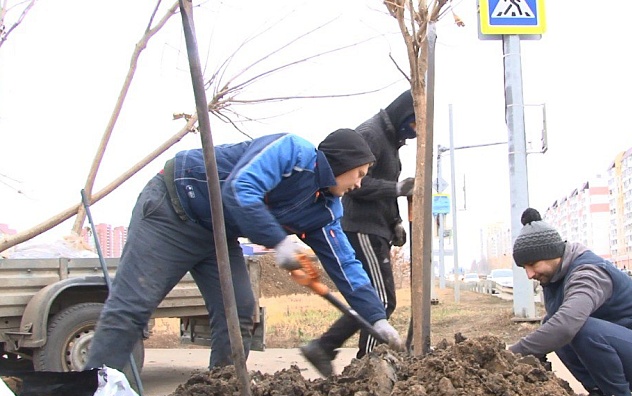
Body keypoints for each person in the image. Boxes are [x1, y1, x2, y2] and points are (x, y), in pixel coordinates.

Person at [85, 129, 404, 373]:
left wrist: (376, 317)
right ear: (343, 162)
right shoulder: (291, 152)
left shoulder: (326, 210)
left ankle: (219, 392)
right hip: (175, 207)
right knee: (132, 309)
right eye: (359, 174)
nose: (360, 184)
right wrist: (279, 241)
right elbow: (240, 189)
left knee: (238, 310)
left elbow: (346, 264)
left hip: (218, 235)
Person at [507, 208, 632, 396]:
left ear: (552, 254)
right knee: (552, 324)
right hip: (627, 350)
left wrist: (512, 354)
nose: (529, 274)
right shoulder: (554, 278)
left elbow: (567, 325)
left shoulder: (588, 273)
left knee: (573, 327)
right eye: (524, 268)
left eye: (533, 265)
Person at [300, 90, 416, 377]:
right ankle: (367, 366)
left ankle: (329, 348)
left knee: (379, 300)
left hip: (377, 228)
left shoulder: (391, 142)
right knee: (381, 301)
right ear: (405, 115)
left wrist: (396, 221)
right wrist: (398, 190)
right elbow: (355, 183)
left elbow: (383, 183)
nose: (415, 132)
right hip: (360, 226)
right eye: (414, 124)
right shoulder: (370, 133)